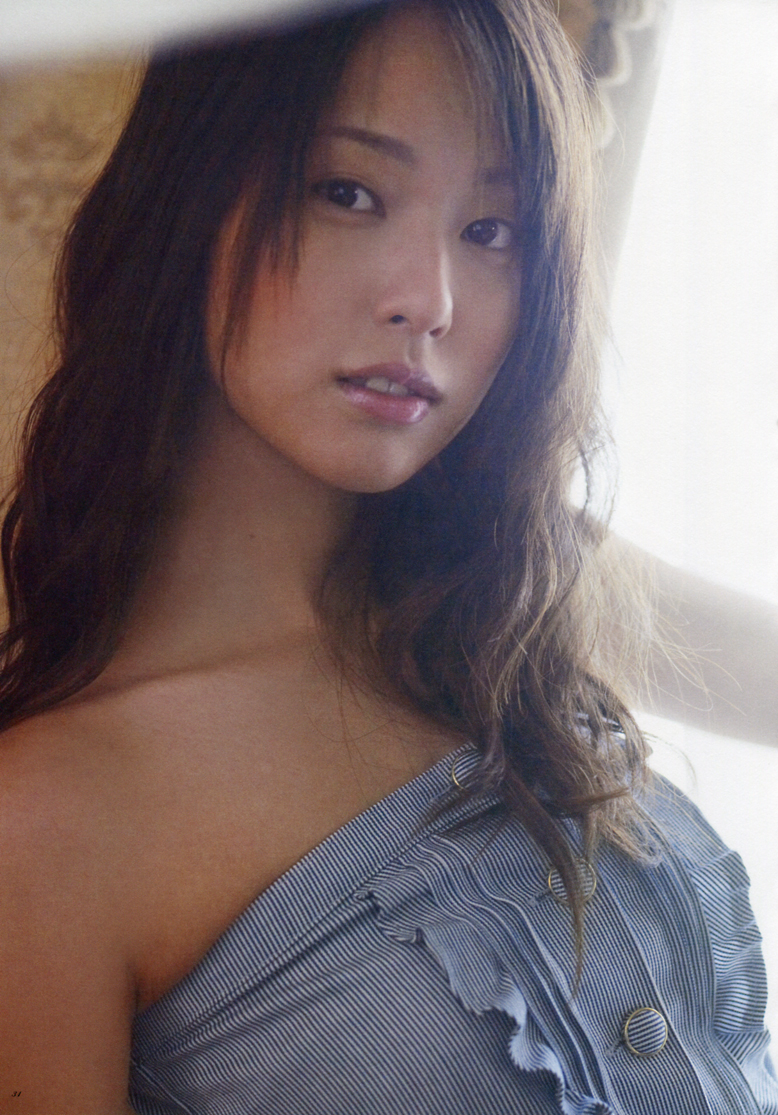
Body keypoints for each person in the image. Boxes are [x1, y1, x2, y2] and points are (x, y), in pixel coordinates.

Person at [0, 1, 774, 1112]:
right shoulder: (49, 821)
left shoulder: (527, 593)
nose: (431, 300)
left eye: (492, 230)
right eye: (349, 193)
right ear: (189, 195)